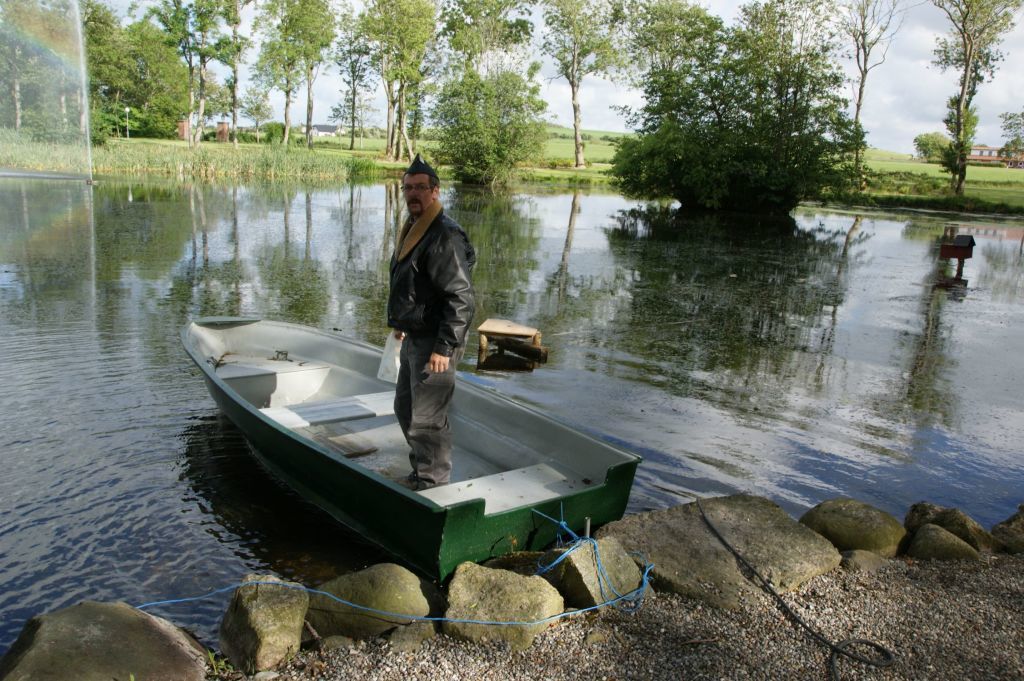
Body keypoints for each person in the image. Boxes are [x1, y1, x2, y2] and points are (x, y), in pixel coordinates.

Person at [387, 154, 476, 490]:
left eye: (421, 188)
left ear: (435, 191)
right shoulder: (415, 227)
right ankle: (421, 470)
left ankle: (432, 483)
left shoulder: (443, 235)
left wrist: (445, 346)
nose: (413, 193)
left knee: (426, 418)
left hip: (437, 341)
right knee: (405, 408)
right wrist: (403, 321)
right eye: (408, 188)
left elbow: (461, 297)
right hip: (417, 334)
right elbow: (413, 284)